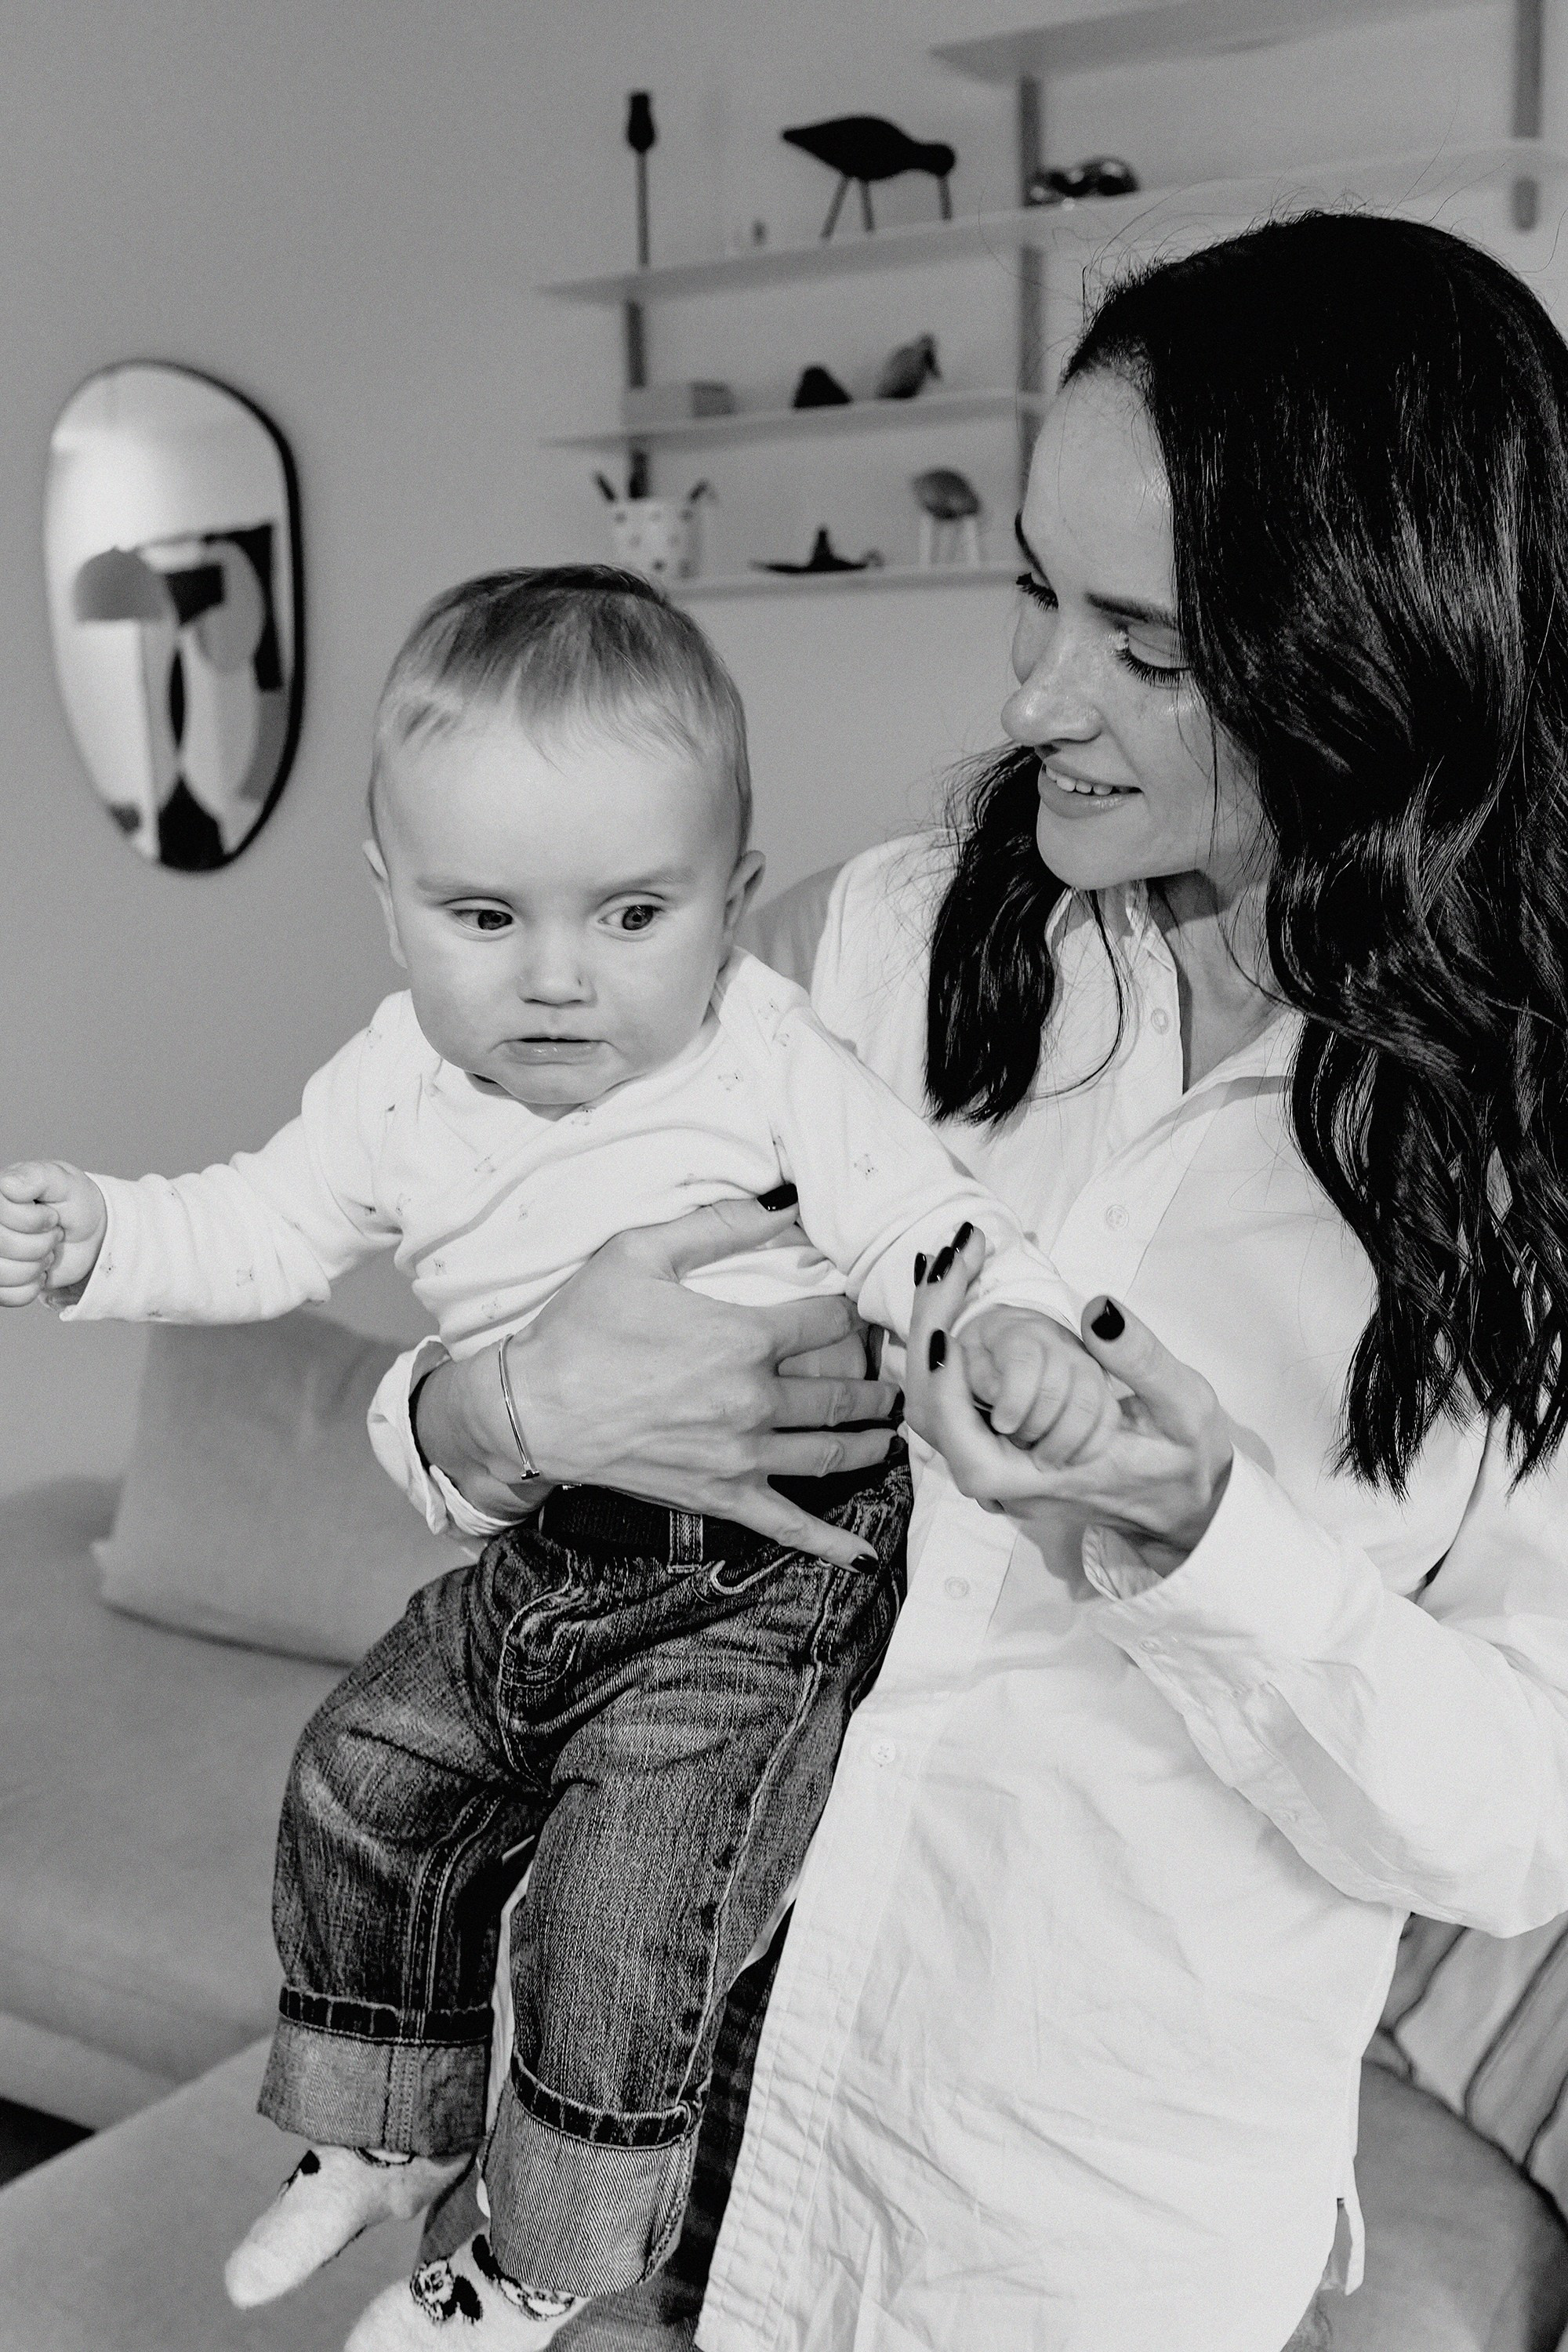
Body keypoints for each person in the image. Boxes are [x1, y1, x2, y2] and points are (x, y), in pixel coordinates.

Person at [373, 212, 1568, 2352]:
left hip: (1056, 2236)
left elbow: (1518, 1826)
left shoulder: (1528, 1167)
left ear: (1381, 652)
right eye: (1039, 590)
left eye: (1148, 646)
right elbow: (514, 1401)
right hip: (639, 2110)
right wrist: (503, 1404)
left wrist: (1196, 1539)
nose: (1034, 697)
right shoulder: (885, 944)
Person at [0, 568, 1109, 2350]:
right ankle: (380, 2133)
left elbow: (925, 1218)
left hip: (763, 1580)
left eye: (633, 914)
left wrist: (1017, 1328)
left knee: (617, 1918)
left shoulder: (766, 1050)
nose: (557, 980)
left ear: (730, 900)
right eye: (483, 915)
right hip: (546, 1549)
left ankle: (539, 2264)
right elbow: (259, 1226)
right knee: (366, 1769)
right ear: (389, 904)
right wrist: (101, 1238)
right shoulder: (392, 1083)